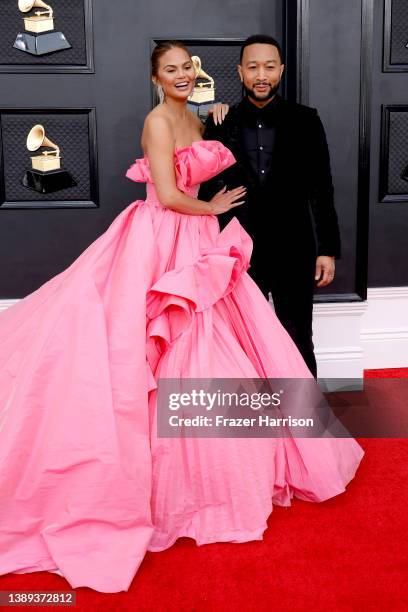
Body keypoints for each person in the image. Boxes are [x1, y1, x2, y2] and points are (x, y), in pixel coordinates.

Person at [0, 40, 364, 594]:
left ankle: (271, 446)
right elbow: (168, 193)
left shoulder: (203, 117)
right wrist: (213, 209)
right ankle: (171, 481)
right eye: (170, 69)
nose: (181, 75)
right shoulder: (159, 121)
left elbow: (311, 185)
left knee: (256, 344)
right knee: (163, 348)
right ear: (155, 77)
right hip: (168, 239)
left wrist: (308, 240)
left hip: (216, 242)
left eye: (187, 68)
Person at [199, 35, 341, 378]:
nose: (261, 74)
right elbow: (205, 186)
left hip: (294, 245)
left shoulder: (306, 120)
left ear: (281, 70)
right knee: (241, 337)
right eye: (252, 67)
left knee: (297, 335)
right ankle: (255, 421)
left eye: (269, 66)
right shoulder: (221, 121)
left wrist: (327, 250)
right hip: (239, 250)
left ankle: (304, 417)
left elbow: (322, 187)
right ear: (240, 71)